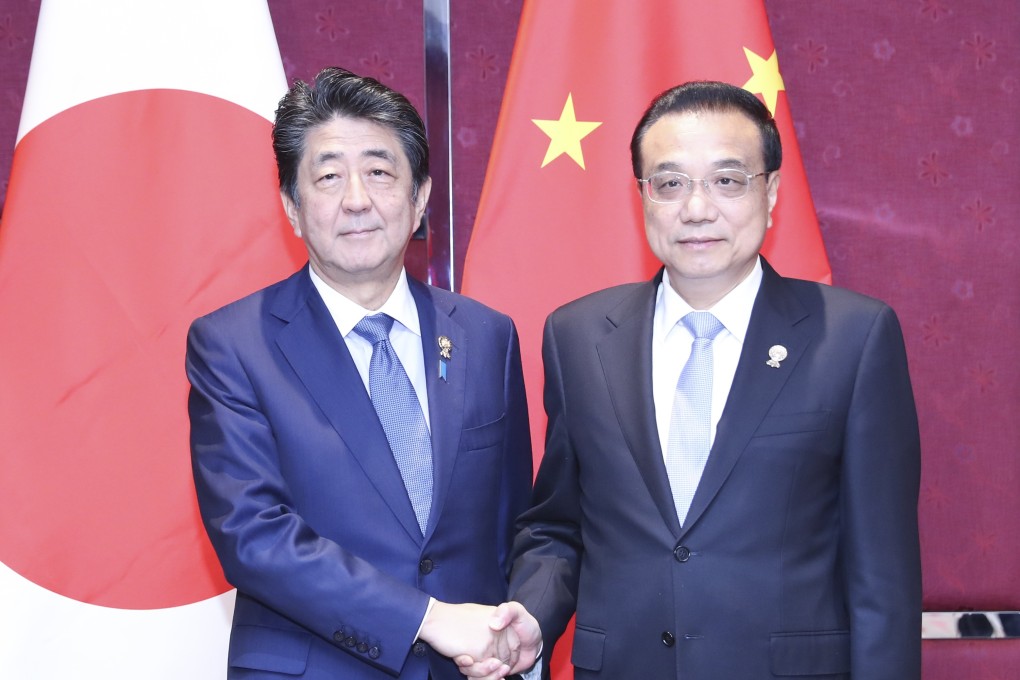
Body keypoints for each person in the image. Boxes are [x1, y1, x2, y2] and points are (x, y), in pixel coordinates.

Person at [503, 81, 922, 679]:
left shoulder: (853, 338)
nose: (696, 209)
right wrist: (533, 616)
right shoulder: (578, 335)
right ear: (643, 197)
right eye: (670, 183)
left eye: (728, 180)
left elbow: (883, 576)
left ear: (772, 192)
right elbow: (558, 524)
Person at [186, 67, 538, 680]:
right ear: (292, 208)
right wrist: (428, 618)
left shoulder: (487, 336)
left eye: (379, 171)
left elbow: (514, 523)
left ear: (420, 196)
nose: (357, 198)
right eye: (327, 177)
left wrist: (513, 633)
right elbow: (253, 536)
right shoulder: (233, 345)